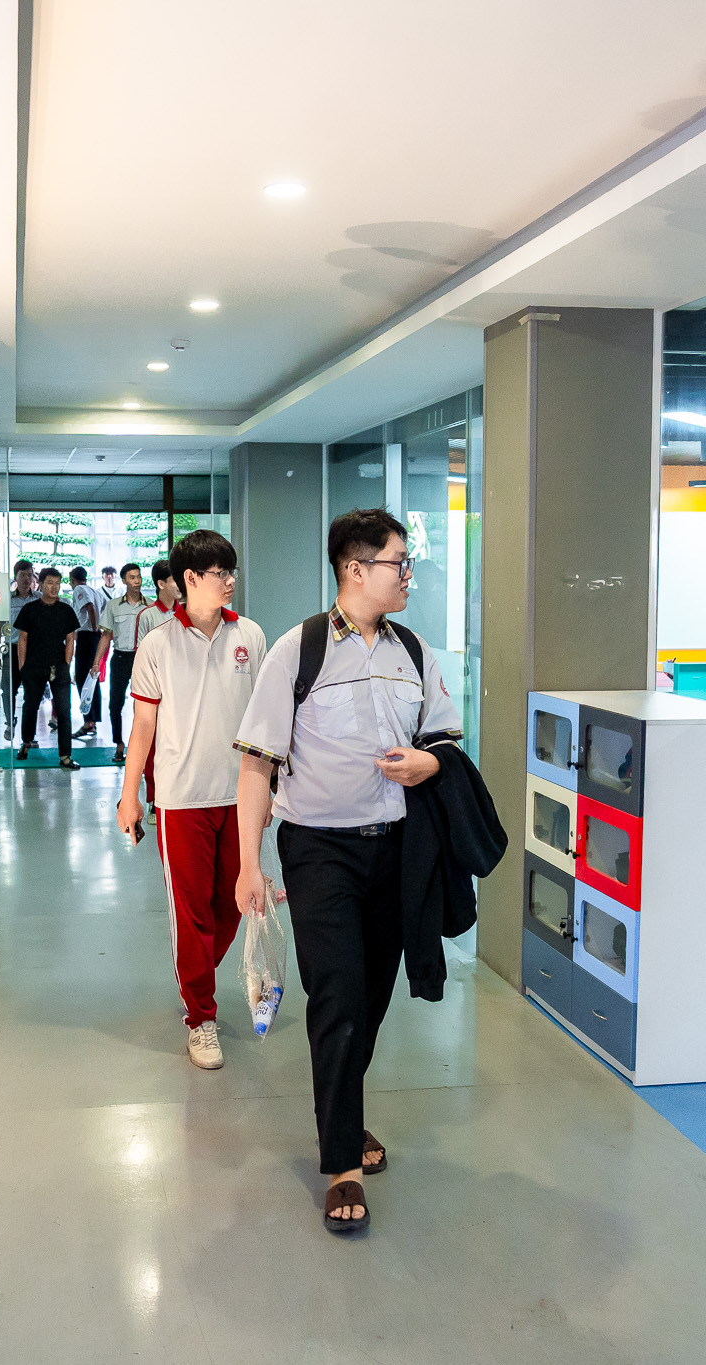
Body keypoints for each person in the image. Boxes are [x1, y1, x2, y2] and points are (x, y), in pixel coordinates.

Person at [231, 508, 463, 1235]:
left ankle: (344, 1112)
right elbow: (256, 765)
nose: (409, 576)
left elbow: (444, 744)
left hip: (397, 850)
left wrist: (427, 763)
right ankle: (342, 1164)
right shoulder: (296, 652)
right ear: (355, 569)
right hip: (318, 849)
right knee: (336, 993)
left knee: (371, 997)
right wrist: (249, 864)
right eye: (399, 563)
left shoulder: (415, 652)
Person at [116, 531, 266, 1072]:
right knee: (190, 911)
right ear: (190, 579)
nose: (230, 581)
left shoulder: (250, 634)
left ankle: (198, 974)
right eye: (220, 573)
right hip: (180, 800)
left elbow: (265, 721)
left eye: (231, 571)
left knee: (232, 903)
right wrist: (130, 796)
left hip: (241, 796)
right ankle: (200, 1015)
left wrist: (272, 788)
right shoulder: (157, 644)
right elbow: (143, 727)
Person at [14, 568, 83, 769]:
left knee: (64, 711)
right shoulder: (30, 609)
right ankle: (26, 743)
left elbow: (70, 639)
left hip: (58, 667)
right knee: (30, 707)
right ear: (41, 584)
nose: (54, 587)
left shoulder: (65, 610)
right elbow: (22, 638)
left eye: (57, 583)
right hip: (33, 666)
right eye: (50, 583)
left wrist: (67, 664)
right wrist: (22, 666)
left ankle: (65, 756)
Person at [99, 562, 154, 764]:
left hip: (143, 660)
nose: (137, 581)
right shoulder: (113, 605)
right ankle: (119, 744)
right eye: (132, 577)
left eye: (139, 577)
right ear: (124, 580)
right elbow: (106, 635)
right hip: (120, 658)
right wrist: (96, 662)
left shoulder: (150, 606)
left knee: (142, 705)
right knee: (115, 704)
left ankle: (141, 747)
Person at [68, 568, 106, 739]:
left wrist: (93, 627)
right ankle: (92, 722)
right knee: (92, 679)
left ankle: (88, 722)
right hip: (94, 637)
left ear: (72, 579)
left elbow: (89, 607)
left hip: (87, 636)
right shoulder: (95, 591)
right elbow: (102, 607)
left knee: (83, 679)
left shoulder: (79, 589)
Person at [3, 560, 40, 741]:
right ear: (15, 577)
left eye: (29, 575)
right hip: (12, 649)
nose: (26, 579)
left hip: (34, 651)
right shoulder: (7, 600)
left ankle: (29, 735)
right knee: (8, 689)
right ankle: (10, 722)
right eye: (22, 575)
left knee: (32, 693)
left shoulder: (40, 599)